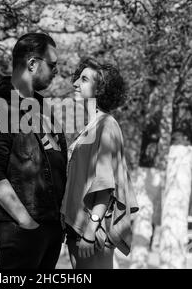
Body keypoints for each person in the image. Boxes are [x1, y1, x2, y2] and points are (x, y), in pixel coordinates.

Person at [0, 33, 67, 269]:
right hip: (21, 229)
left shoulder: (42, 107)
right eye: (52, 65)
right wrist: (26, 222)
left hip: (50, 226)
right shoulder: (1, 106)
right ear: (32, 63)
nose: (56, 71)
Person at [60, 57, 139, 269]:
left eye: (84, 79)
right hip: (76, 229)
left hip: (92, 232)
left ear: (100, 89)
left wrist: (90, 230)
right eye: (77, 78)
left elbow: (105, 185)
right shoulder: (89, 127)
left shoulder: (107, 125)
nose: (75, 83)